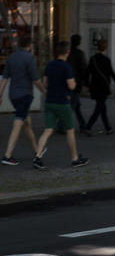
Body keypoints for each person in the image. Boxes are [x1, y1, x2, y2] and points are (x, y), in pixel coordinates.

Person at [32, 40, 88, 169]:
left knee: (48, 130)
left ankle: (37, 157)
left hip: (49, 102)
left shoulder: (50, 65)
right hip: (62, 102)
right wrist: (72, 84)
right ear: (67, 51)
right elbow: (71, 85)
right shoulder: (66, 66)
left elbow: (45, 83)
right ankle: (74, 158)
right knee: (70, 131)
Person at [0, 35, 46, 166]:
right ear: (30, 45)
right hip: (25, 94)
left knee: (27, 123)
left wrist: (0, 95)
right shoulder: (29, 58)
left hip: (13, 95)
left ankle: (37, 150)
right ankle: (8, 155)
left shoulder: (12, 57)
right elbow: (35, 79)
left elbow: (4, 78)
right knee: (18, 123)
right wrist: (43, 90)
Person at [84, 38, 115, 136]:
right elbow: (111, 72)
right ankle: (88, 127)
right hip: (103, 87)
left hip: (94, 87)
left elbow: (87, 73)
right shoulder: (106, 60)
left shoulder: (93, 59)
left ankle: (108, 128)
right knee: (99, 108)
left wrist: (87, 84)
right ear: (105, 48)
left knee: (102, 107)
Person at [66, 34, 88, 131]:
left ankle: (83, 124)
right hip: (76, 83)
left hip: (67, 81)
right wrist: (87, 83)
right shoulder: (80, 54)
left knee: (75, 105)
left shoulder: (68, 53)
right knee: (72, 105)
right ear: (79, 43)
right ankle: (62, 125)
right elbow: (83, 69)